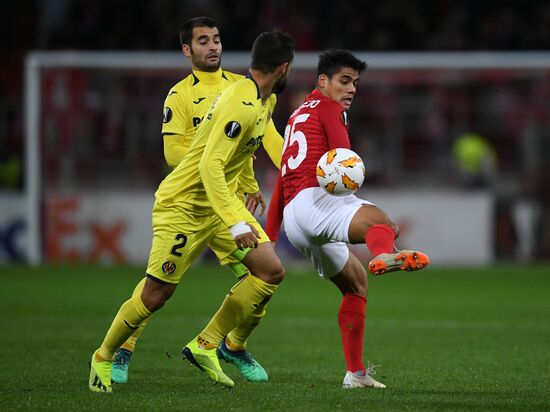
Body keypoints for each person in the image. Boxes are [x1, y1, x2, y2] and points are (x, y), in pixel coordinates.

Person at [88, 30, 295, 393]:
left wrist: (273, 179)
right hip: (184, 206)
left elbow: (256, 144)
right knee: (155, 295)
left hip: (220, 203)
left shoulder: (265, 100)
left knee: (270, 271)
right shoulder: (239, 104)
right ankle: (105, 356)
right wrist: (234, 223)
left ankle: (207, 344)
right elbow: (209, 167)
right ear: (284, 67)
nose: (213, 45)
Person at [265, 49, 430, 389]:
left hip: (297, 221)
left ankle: (355, 374)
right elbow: (343, 161)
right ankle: (384, 252)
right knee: (382, 223)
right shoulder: (330, 109)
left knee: (356, 285)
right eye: (344, 81)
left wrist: (270, 236)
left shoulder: (296, 115)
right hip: (317, 202)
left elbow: (282, 178)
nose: (351, 88)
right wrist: (353, 183)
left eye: (355, 82)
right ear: (322, 81)